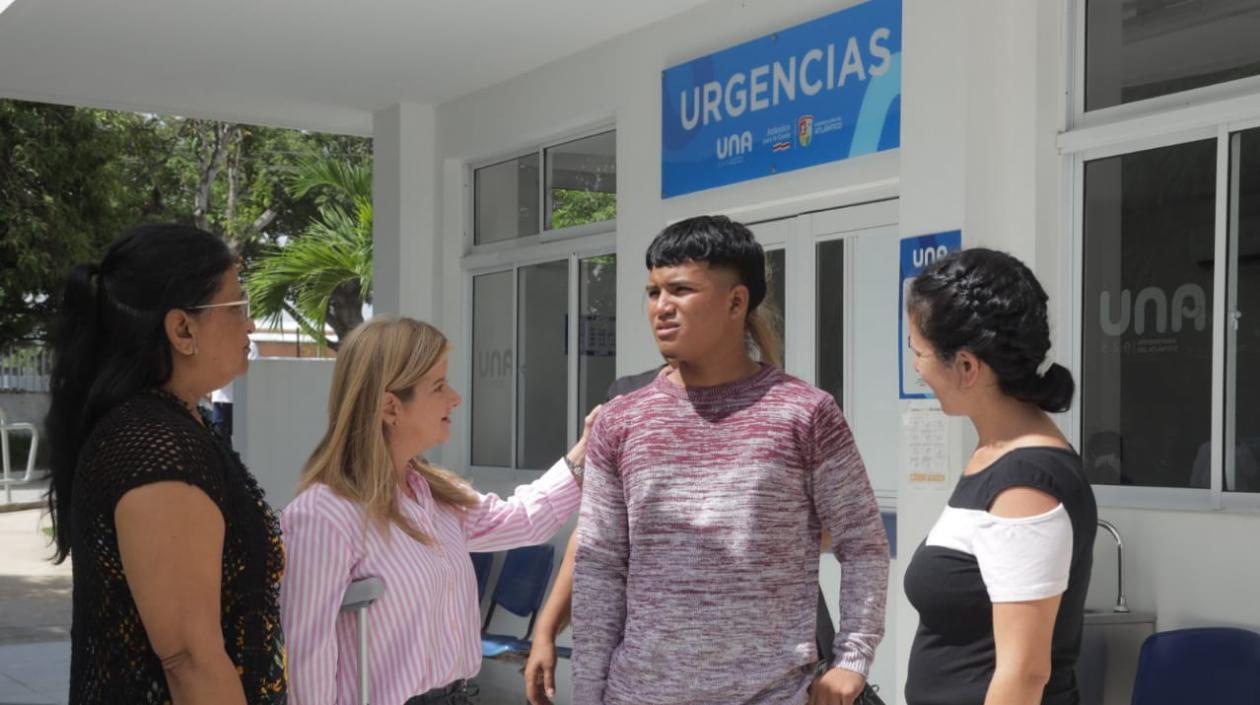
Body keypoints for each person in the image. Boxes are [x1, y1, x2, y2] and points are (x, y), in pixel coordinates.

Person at [571, 215, 890, 705]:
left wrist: (852, 658)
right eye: (654, 292)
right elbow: (599, 566)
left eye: (680, 290)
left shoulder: (804, 413)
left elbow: (863, 543)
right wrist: (588, 694)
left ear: (736, 302)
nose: (662, 307)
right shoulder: (621, 420)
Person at [279, 316, 596, 705]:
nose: (455, 397)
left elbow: (524, 520)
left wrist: (586, 450)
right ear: (390, 407)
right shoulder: (323, 516)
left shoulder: (433, 496)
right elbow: (308, 661)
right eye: (438, 386)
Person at [44, 224, 283, 704]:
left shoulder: (174, 425)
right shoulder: (154, 446)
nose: (251, 324)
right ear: (182, 329)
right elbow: (189, 661)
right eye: (237, 307)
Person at [901, 248, 1097, 705]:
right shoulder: (994, 458)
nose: (916, 367)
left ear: (967, 367)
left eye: (919, 352)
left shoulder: (1027, 484)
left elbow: (1025, 673)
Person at [524, 365, 666, 705]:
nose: (663, 310)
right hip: (644, 666)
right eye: (654, 304)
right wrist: (546, 629)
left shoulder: (771, 405)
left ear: (734, 309)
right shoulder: (628, 397)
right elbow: (594, 537)